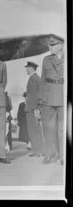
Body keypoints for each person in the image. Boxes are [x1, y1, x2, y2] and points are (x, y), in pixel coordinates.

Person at [37, 36, 65, 165]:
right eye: (49, 45)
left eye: (53, 45)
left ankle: (63, 156)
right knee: (48, 128)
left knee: (63, 129)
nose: (50, 48)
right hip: (48, 98)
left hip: (63, 96)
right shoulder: (46, 60)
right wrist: (40, 100)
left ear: (61, 46)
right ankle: (49, 154)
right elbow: (42, 80)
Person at [24, 61, 45, 157]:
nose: (26, 70)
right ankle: (36, 150)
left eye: (27, 68)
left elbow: (39, 94)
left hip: (33, 109)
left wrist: (37, 108)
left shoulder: (35, 78)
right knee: (33, 130)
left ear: (31, 68)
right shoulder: (34, 78)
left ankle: (38, 151)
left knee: (34, 130)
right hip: (31, 108)